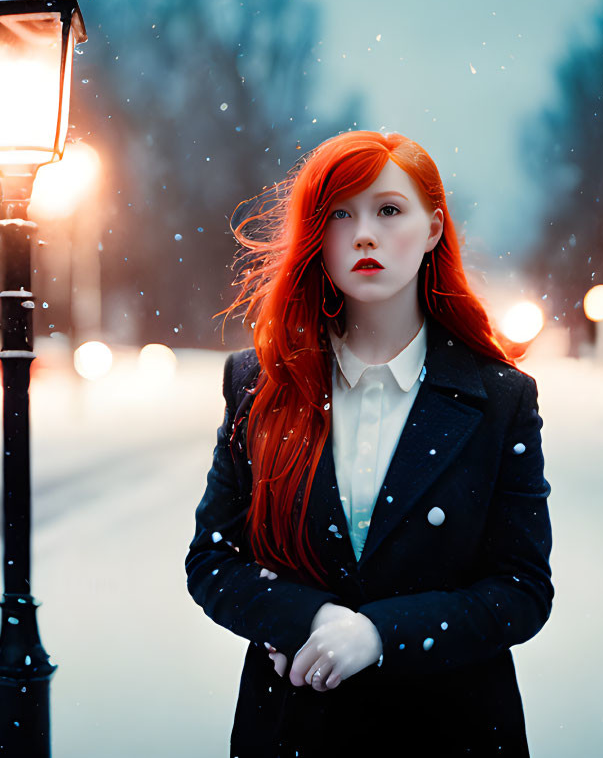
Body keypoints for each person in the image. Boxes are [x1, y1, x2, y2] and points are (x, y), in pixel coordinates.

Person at [186, 130, 552, 756]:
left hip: (449, 729)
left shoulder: (500, 398)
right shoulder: (262, 383)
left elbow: (520, 589)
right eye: (340, 214)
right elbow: (214, 562)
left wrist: (381, 634)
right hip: (294, 729)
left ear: (433, 228)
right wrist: (312, 620)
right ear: (316, 236)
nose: (363, 234)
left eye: (388, 210)